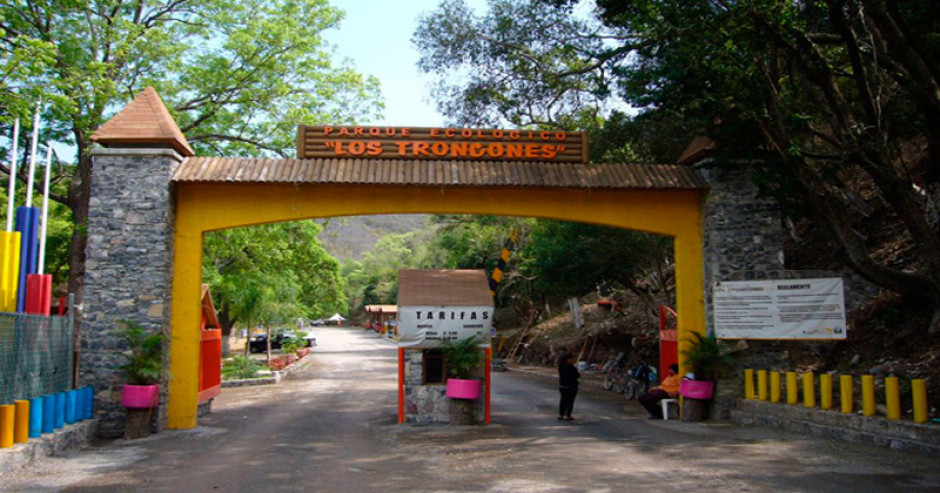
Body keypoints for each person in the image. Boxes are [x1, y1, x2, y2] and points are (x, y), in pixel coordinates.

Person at [557, 352, 580, 420]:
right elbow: (577, 375)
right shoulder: (570, 366)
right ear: (568, 359)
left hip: (562, 385)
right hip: (571, 386)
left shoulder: (560, 366)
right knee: (570, 401)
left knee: (563, 400)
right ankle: (568, 415)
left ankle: (561, 414)